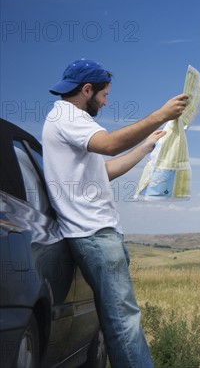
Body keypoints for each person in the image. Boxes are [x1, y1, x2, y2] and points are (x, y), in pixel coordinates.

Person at [42, 58, 188, 368]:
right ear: (87, 89)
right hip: (95, 234)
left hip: (98, 234)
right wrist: (160, 115)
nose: (106, 102)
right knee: (124, 323)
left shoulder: (69, 120)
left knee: (118, 321)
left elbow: (103, 171)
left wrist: (146, 147)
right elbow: (109, 146)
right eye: (105, 95)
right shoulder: (69, 117)